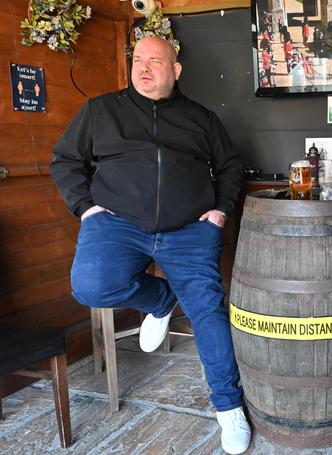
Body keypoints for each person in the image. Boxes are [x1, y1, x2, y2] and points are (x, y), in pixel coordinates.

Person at [50, 37, 251, 455]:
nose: (144, 68)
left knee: (208, 309)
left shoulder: (202, 119)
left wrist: (220, 212)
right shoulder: (100, 110)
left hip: (189, 228)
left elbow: (230, 166)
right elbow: (65, 160)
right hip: (118, 224)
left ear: (176, 70)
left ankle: (228, 407)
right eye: (138, 60)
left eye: (155, 61)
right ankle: (160, 300)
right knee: (90, 286)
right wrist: (86, 208)